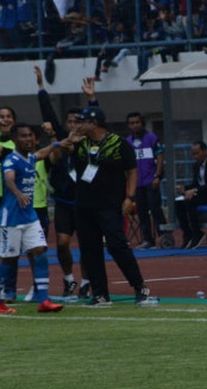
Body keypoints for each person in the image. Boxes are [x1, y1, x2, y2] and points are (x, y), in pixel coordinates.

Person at [70, 107, 154, 306]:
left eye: (81, 122)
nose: (76, 126)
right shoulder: (80, 143)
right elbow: (64, 157)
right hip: (84, 205)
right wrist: (69, 143)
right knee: (90, 250)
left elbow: (132, 171)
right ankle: (100, 294)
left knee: (118, 245)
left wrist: (130, 197)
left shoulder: (118, 144)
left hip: (109, 205)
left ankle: (141, 287)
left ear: (94, 123)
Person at [35, 71, 96, 299]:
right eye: (69, 122)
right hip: (63, 202)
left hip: (85, 203)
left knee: (88, 245)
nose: (72, 125)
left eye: (77, 122)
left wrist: (92, 99)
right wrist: (41, 86)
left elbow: (97, 118)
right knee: (62, 243)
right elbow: (48, 113)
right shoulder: (61, 140)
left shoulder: (88, 143)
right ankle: (69, 279)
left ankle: (87, 282)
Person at [0, 123, 65, 313]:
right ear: (14, 139)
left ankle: (43, 300)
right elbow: (9, 178)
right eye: (23, 136)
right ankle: (1, 301)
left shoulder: (30, 157)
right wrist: (17, 193)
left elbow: (43, 153)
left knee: (41, 252)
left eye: (30, 135)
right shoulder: (11, 159)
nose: (28, 139)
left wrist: (59, 143)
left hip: (29, 217)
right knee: (9, 260)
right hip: (11, 218)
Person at [175, 141, 207, 249]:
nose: (195, 156)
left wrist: (194, 191)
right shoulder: (196, 166)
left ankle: (197, 232)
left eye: (197, 153)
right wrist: (185, 188)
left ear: (204, 151)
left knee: (191, 200)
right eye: (193, 154)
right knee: (178, 202)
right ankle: (187, 233)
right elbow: (196, 183)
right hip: (202, 193)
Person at [125, 112, 166, 249]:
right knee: (141, 211)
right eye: (131, 123)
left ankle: (163, 236)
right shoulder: (127, 142)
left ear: (142, 123)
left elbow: (160, 157)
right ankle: (147, 239)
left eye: (137, 122)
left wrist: (158, 176)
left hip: (150, 180)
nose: (135, 125)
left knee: (155, 209)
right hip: (137, 183)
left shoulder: (151, 138)